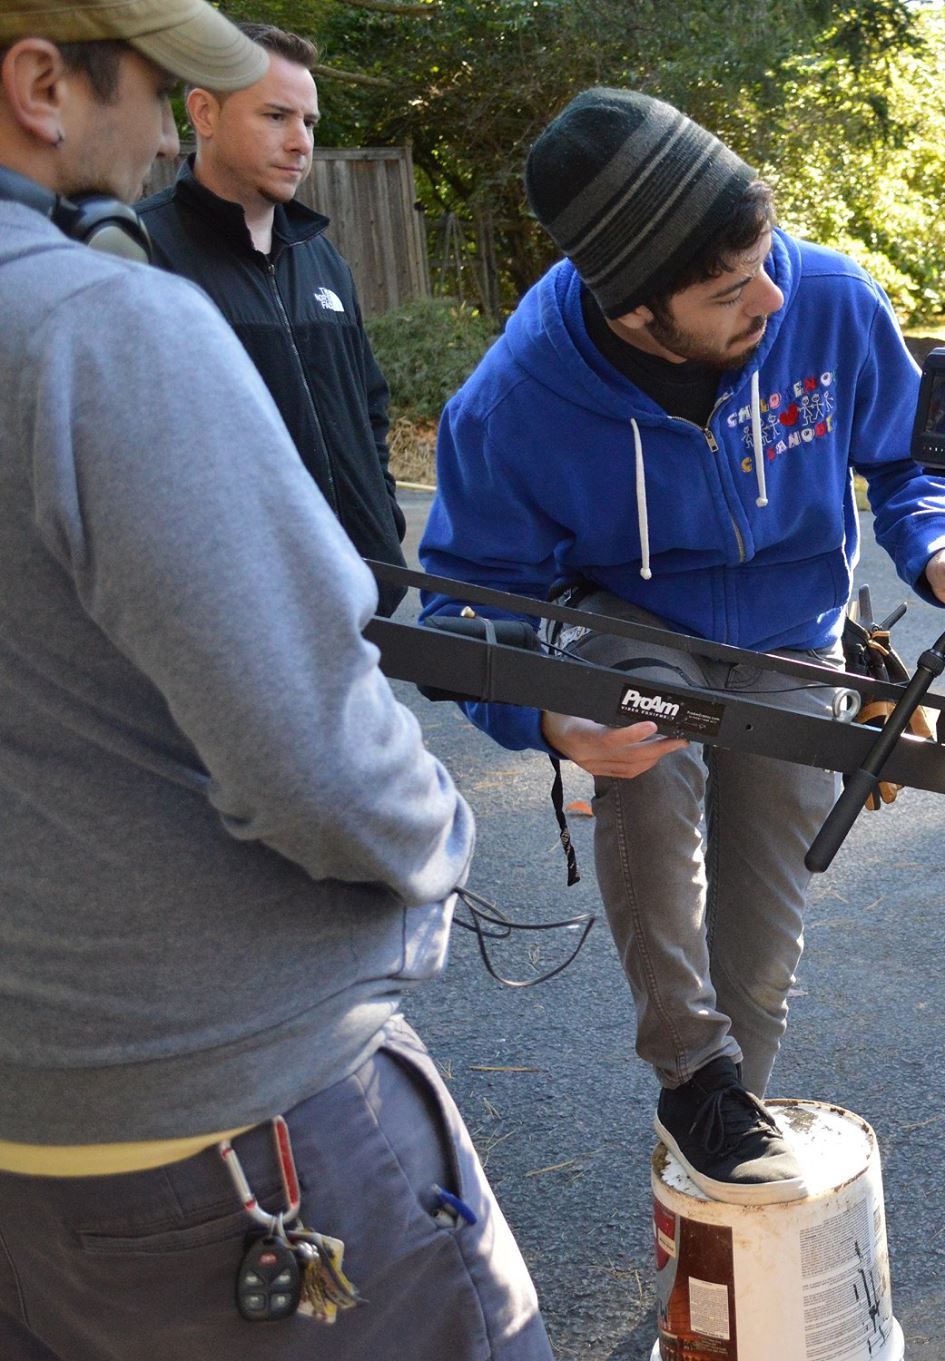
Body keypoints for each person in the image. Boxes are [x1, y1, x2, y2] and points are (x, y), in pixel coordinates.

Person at [0, 3, 549, 1356]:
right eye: (163, 85)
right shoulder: (105, 328)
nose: (150, 133)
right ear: (42, 86)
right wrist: (441, 832)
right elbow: (313, 763)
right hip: (223, 1135)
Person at [420, 88, 945, 1204]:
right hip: (635, 623)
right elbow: (466, 608)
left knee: (764, 944)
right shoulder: (514, 402)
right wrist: (541, 719)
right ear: (632, 310)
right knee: (645, 731)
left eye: (766, 258)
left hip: (792, 637)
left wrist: (940, 552)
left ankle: (717, 1133)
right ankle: (691, 1070)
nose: (770, 293)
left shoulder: (825, 299)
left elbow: (912, 462)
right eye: (729, 290)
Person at [135, 21, 408, 616]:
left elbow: (369, 406)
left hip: (361, 603)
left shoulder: (321, 256)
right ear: (204, 113)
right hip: (235, 618)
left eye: (308, 123)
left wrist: (381, 519)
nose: (300, 142)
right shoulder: (143, 255)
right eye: (276, 117)